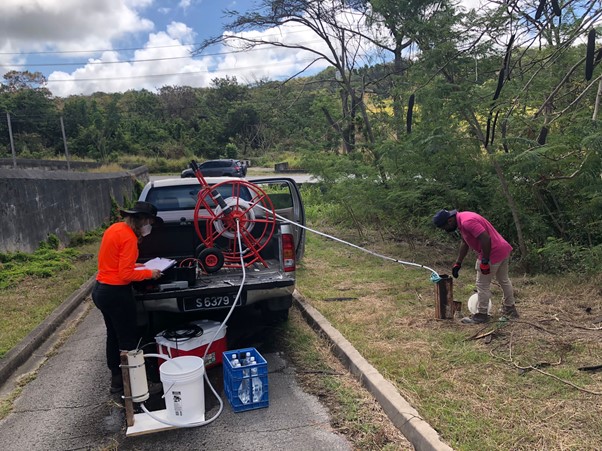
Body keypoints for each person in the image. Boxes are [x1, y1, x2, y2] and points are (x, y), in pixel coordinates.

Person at [92, 201, 163, 394]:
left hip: (101, 290)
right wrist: (150, 274)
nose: (150, 225)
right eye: (149, 221)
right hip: (117, 294)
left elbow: (116, 263)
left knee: (113, 335)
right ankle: (132, 385)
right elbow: (125, 274)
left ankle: (116, 380)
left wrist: (141, 267)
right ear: (140, 220)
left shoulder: (115, 229)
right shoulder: (130, 238)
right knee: (127, 339)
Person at [433, 209, 519, 324]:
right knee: (503, 280)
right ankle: (510, 309)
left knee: (482, 284)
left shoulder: (467, 222)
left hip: (492, 252)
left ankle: (482, 315)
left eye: (445, 227)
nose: (446, 230)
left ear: (449, 221)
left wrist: (485, 261)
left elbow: (485, 238)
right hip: (502, 249)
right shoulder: (463, 218)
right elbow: (465, 242)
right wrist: (458, 263)